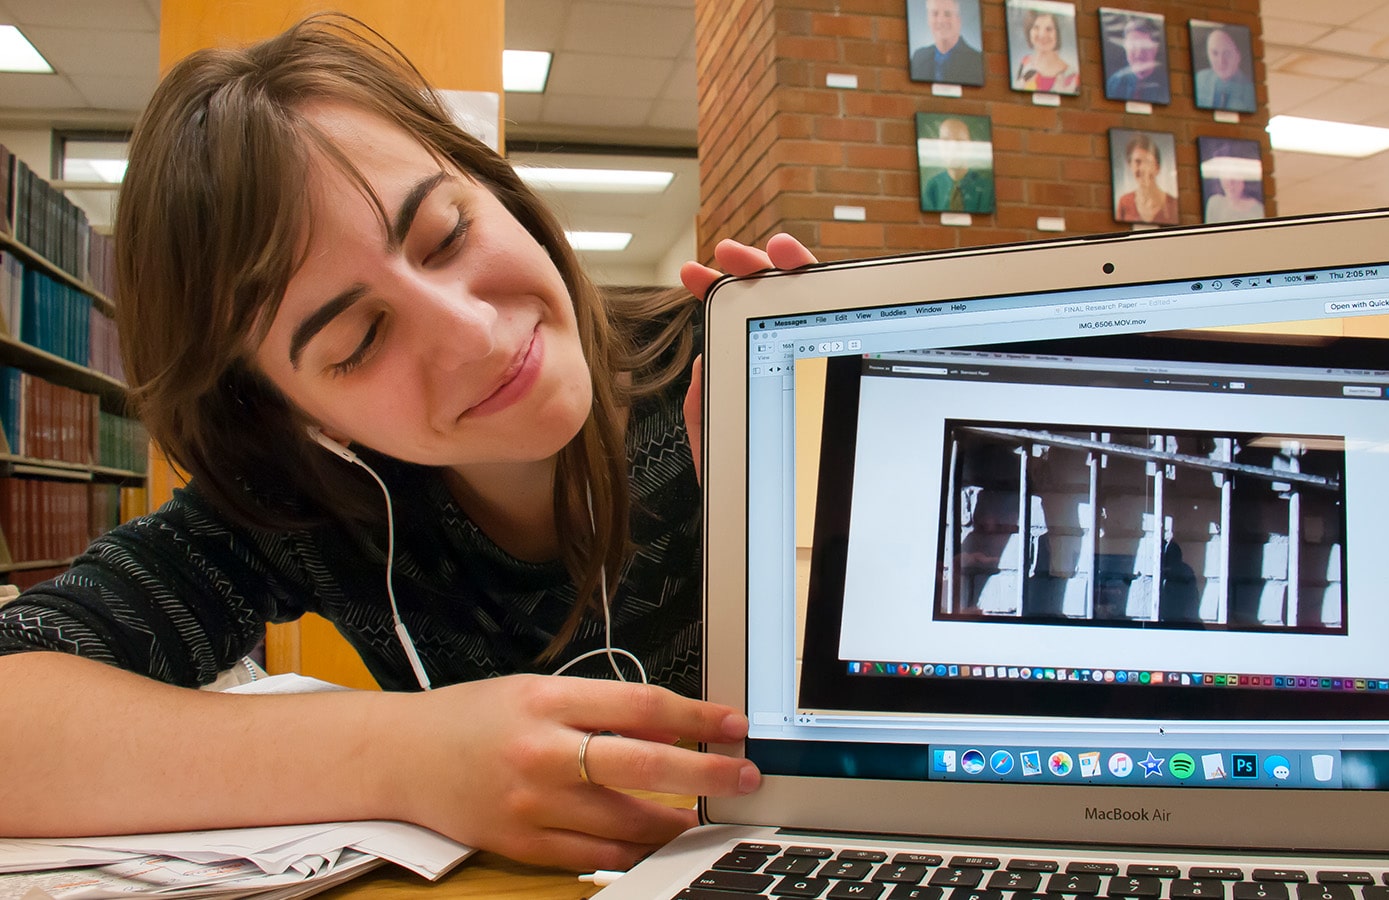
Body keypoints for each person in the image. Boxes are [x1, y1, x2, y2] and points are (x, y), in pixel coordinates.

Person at [0, 14, 819, 872]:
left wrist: (826, 531)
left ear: (493, 187)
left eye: (447, 234)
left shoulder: (722, 373)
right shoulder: (305, 497)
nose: (473, 335)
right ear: (294, 414)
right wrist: (409, 755)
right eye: (357, 341)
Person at [920, 117, 995, 214]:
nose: (953, 148)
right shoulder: (933, 186)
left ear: (970, 146)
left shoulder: (986, 188)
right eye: (946, 141)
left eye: (960, 141)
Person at [909, 0, 985, 86]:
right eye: (935, 13)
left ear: (958, 21)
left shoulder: (976, 61)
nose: (941, 20)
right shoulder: (918, 57)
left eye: (947, 14)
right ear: (928, 20)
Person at [1115, 133, 1179, 225]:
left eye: (1148, 162)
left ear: (1157, 167)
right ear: (1130, 165)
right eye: (1137, 161)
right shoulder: (1124, 202)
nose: (1142, 169)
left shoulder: (1173, 204)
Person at [1012, 8, 1079, 94]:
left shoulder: (1072, 76)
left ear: (1057, 34)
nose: (1042, 34)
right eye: (1036, 28)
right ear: (1029, 32)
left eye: (1049, 29)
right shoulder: (1025, 63)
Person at [1104, 17, 1169, 105]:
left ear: (1155, 49)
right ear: (1125, 47)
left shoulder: (1165, 85)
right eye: (1133, 46)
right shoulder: (1114, 83)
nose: (1138, 54)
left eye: (1144, 46)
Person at [1194, 26, 1256, 113]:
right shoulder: (1198, 80)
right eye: (1214, 53)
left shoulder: (1250, 92)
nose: (1221, 61)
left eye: (1227, 53)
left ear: (1238, 55)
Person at [1203, 157, 1266, 223]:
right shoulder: (1214, 203)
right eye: (1225, 177)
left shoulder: (1258, 210)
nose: (1230, 184)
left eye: (1235, 178)